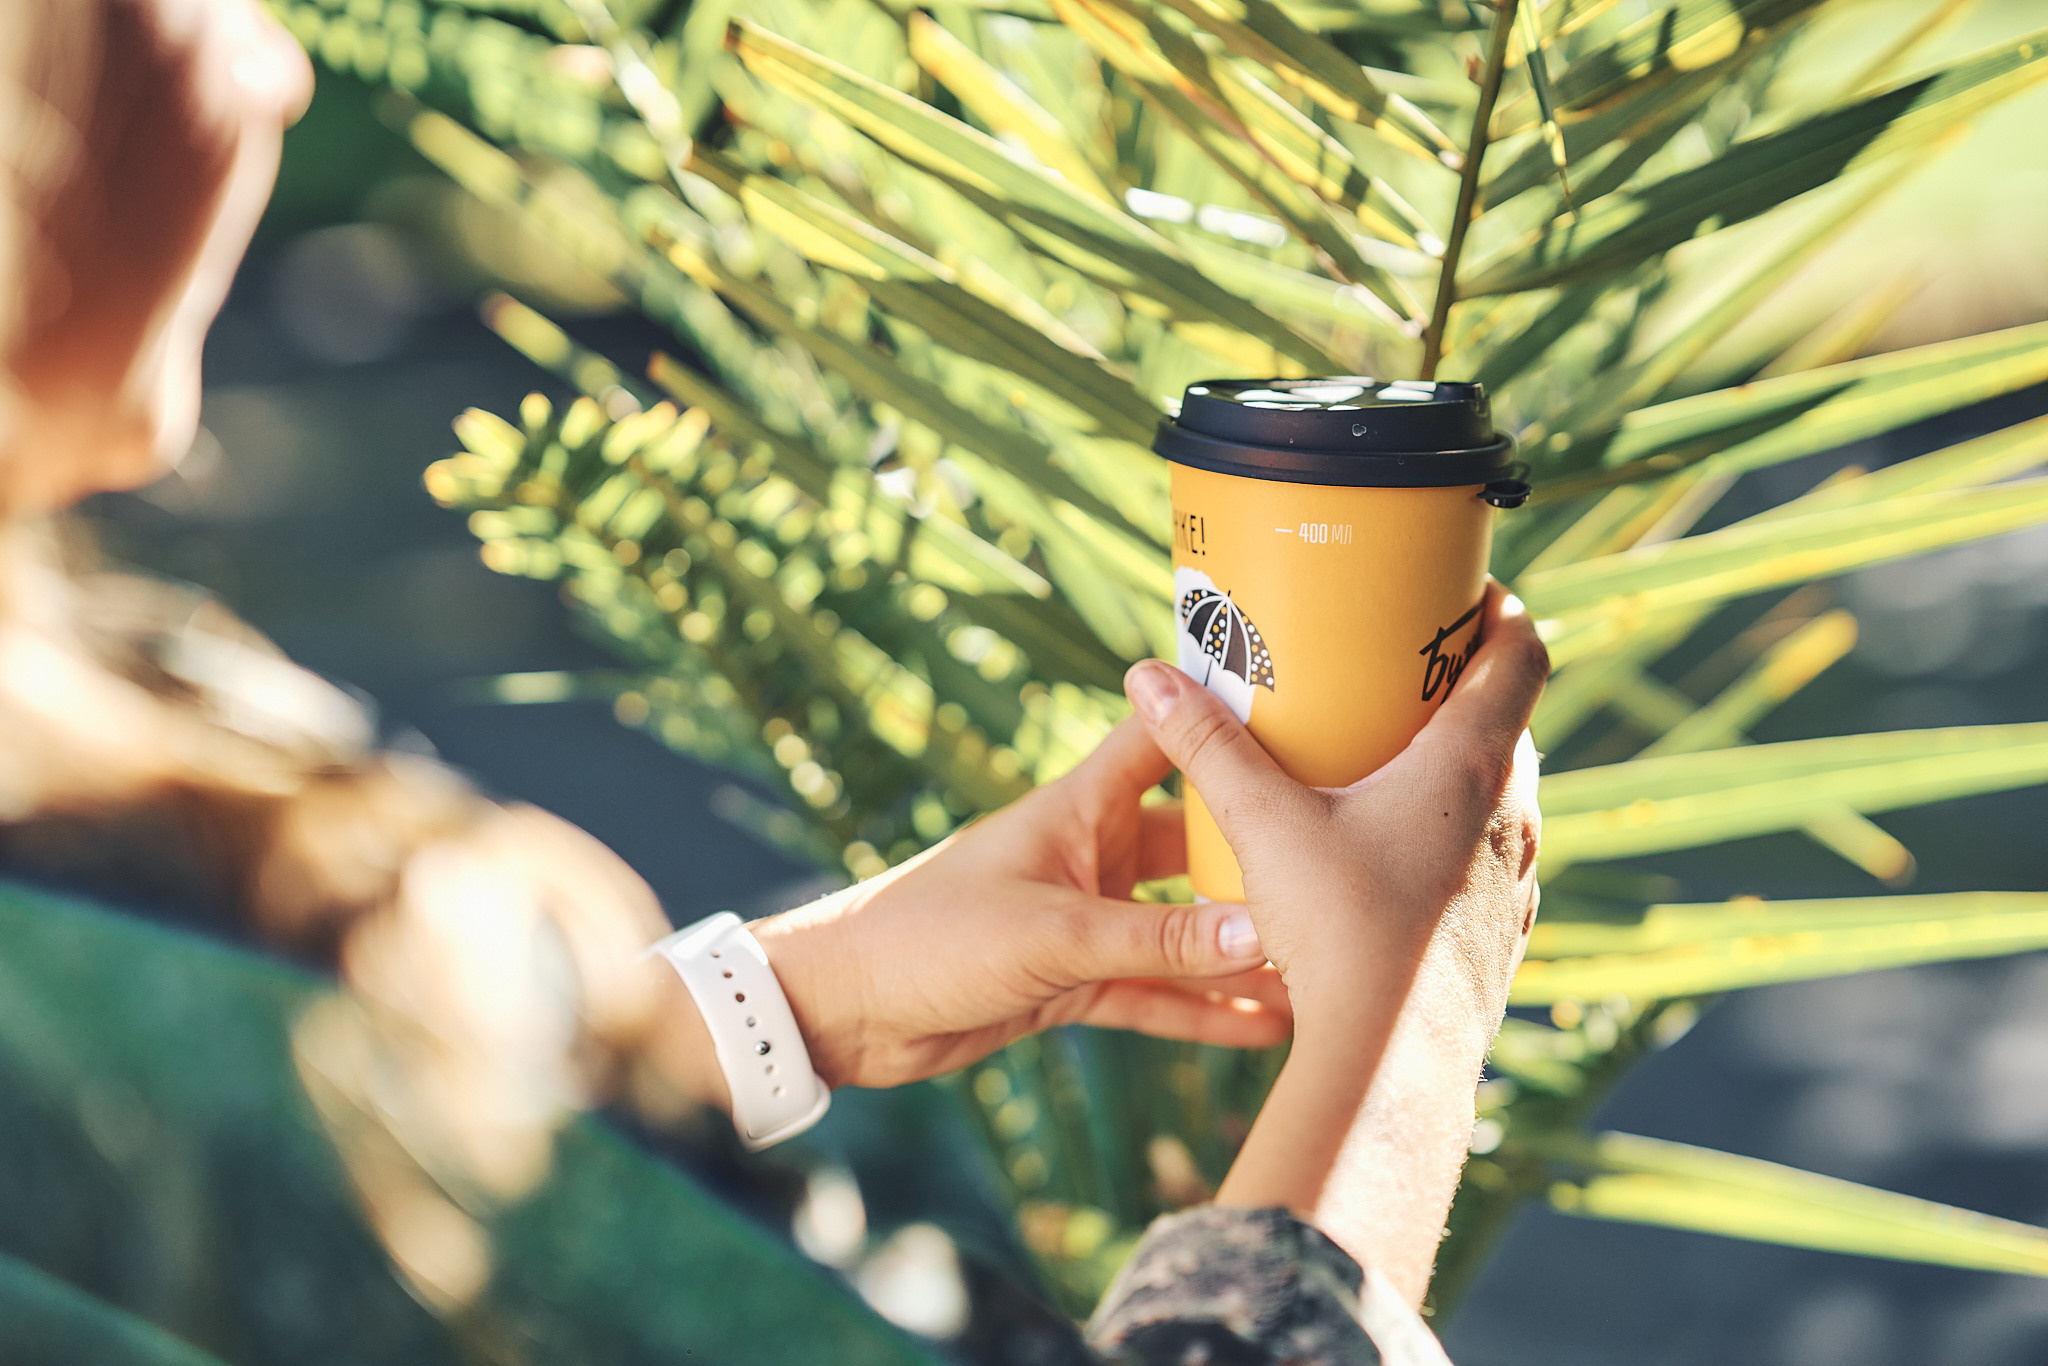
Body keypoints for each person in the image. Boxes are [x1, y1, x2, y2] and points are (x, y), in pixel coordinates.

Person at [0, 2, 1546, 1362]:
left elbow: (313, 1219)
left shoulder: (92, 737)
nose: (278, 68)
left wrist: (778, 1008)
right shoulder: (61, 927)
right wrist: (1401, 1037)